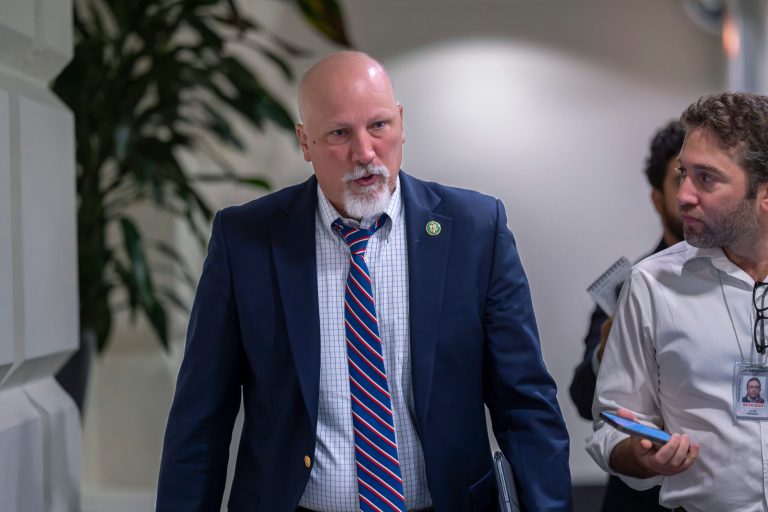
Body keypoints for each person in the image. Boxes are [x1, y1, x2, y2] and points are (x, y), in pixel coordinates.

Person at [156, 51, 571, 512]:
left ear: (401, 122)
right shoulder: (246, 242)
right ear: (304, 142)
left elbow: (525, 405)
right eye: (338, 133)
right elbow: (201, 420)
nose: (364, 152)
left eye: (378, 126)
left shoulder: (475, 229)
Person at [587, 92, 768, 512]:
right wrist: (638, 455)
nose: (684, 194)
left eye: (706, 178)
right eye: (684, 173)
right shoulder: (652, 283)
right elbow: (610, 425)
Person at [569, 121, 684, 512]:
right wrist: (607, 348)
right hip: (643, 496)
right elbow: (584, 399)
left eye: (706, 178)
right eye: (680, 178)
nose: (692, 193)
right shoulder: (628, 286)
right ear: (657, 198)